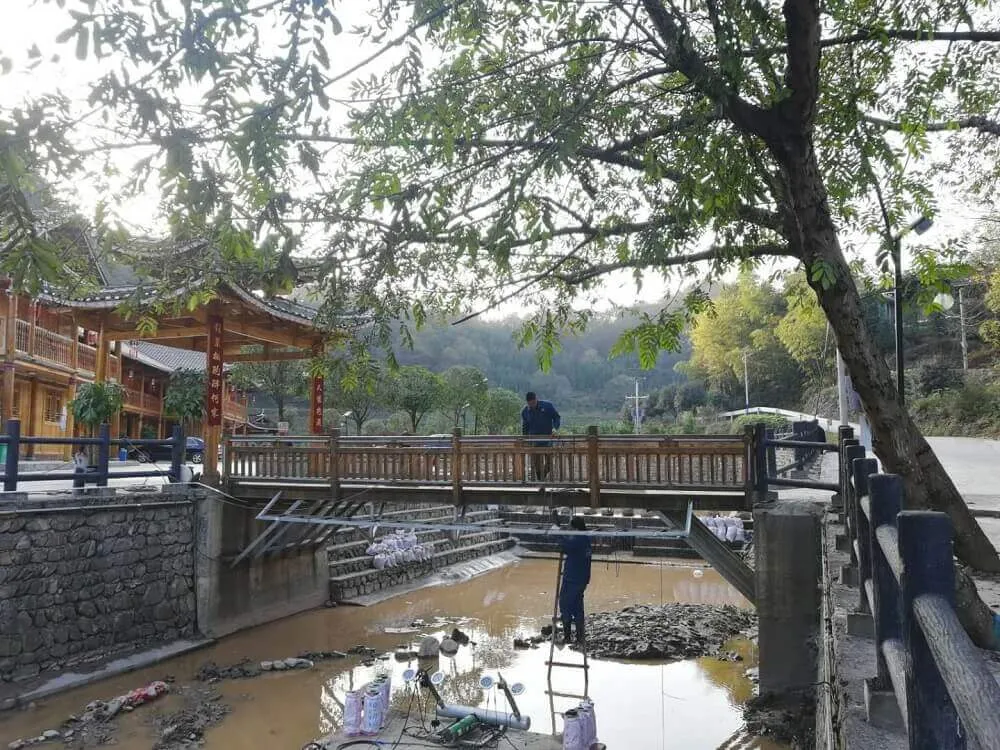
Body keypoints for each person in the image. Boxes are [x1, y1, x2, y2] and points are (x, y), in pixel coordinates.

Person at [559, 515, 592, 645]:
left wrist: (557, 533)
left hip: (572, 579)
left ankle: (567, 637)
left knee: (565, 605)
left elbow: (565, 546)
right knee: (578, 607)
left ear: (575, 528)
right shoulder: (584, 538)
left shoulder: (578, 539)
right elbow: (570, 544)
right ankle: (580, 638)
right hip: (582, 579)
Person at [521, 391, 560, 482]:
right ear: (527, 403)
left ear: (536, 399)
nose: (532, 405)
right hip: (534, 441)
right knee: (536, 464)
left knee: (550, 462)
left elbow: (556, 417)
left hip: (548, 439)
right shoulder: (525, 411)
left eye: (533, 403)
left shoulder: (547, 406)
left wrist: (555, 428)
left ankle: (543, 476)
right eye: (530, 404)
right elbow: (525, 427)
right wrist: (524, 439)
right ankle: (541, 481)